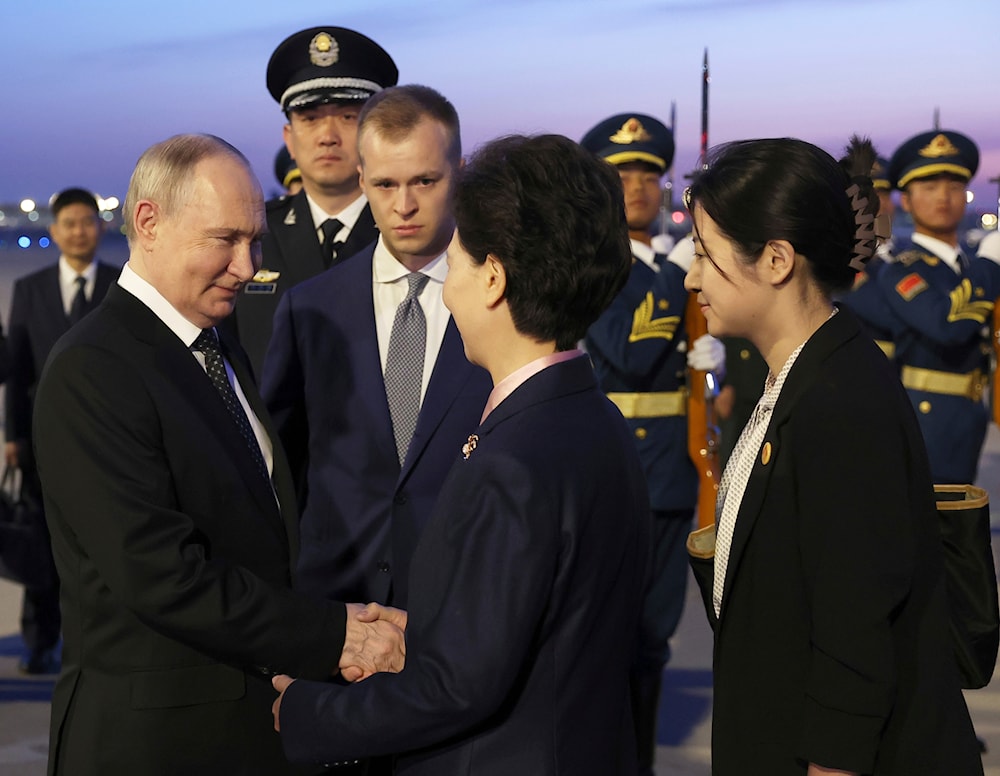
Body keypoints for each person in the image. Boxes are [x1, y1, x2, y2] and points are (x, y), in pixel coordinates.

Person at [271, 132, 650, 776]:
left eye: (459, 260)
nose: (447, 286)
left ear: (494, 278)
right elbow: (531, 627)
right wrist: (420, 632)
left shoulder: (513, 461)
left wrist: (305, 712)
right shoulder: (592, 418)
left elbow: (458, 690)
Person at [32, 134, 405, 776]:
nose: (248, 265)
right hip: (152, 745)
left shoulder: (214, 345)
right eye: (225, 240)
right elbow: (163, 575)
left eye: (255, 240)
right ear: (148, 223)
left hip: (237, 729)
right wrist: (335, 633)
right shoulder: (94, 367)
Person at [683, 136, 981, 774]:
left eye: (706, 255)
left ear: (776, 259)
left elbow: (854, 628)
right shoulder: (802, 375)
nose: (692, 276)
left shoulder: (837, 401)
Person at [263, 85, 491, 612]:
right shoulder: (309, 309)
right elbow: (284, 465)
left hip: (465, 604)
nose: (403, 205)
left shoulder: (504, 299)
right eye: (385, 184)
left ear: (459, 171)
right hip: (336, 603)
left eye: (425, 181)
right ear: (361, 179)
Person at [580, 112, 724, 775]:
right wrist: (684, 280)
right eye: (621, 173)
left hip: (673, 470)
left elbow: (711, 368)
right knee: (613, 637)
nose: (637, 185)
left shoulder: (676, 267)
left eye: (648, 172)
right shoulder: (601, 269)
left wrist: (715, 353)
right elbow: (630, 351)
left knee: (655, 639)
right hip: (619, 471)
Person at [229, 26, 398, 374]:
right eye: (309, 119)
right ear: (289, 138)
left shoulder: (406, 231)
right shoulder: (254, 235)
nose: (327, 136)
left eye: (348, 116)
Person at [4, 187, 118, 675]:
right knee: (41, 543)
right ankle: (40, 640)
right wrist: (12, 436)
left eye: (87, 222)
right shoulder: (29, 289)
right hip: (41, 439)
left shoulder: (121, 285)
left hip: (110, 441)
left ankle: (102, 638)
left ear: (101, 228)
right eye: (68, 223)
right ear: (54, 231)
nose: (78, 231)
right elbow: (17, 372)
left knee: (108, 542)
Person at [877, 129, 1000, 484]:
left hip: (970, 412)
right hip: (927, 417)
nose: (943, 197)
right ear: (908, 201)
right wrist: (991, 263)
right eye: (929, 188)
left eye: (954, 187)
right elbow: (947, 324)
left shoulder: (968, 266)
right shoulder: (901, 269)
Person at [839, 154, 901, 359]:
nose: (879, 205)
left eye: (884, 195)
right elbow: (890, 317)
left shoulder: (907, 254)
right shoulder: (841, 259)